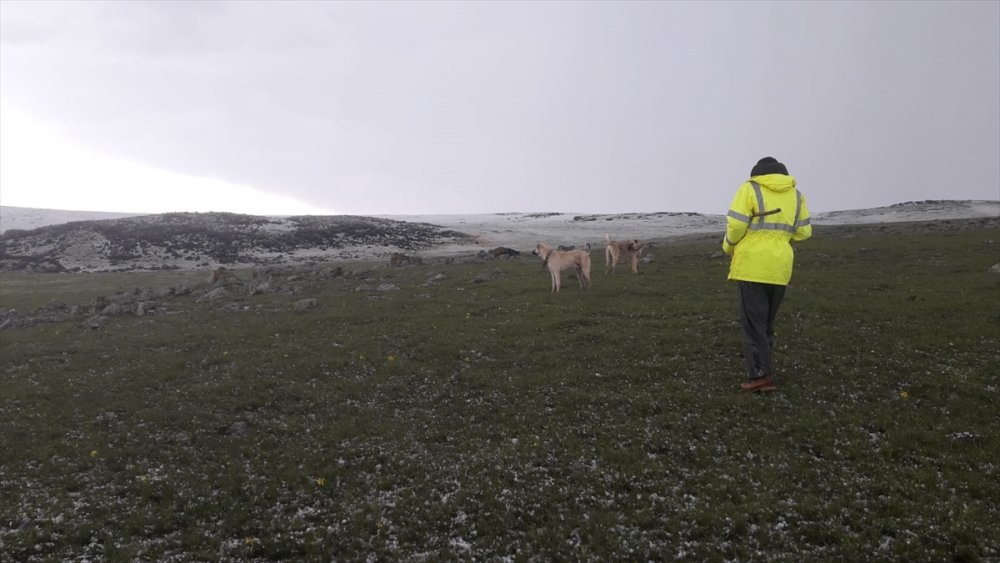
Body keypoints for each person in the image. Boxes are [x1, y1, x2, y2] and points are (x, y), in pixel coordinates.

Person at [722, 156, 812, 392]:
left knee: (753, 324)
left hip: (752, 267)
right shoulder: (797, 195)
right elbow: (804, 232)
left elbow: (736, 225)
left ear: (757, 173)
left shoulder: (749, 188)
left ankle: (761, 375)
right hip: (780, 267)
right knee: (766, 323)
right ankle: (765, 369)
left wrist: (728, 246)